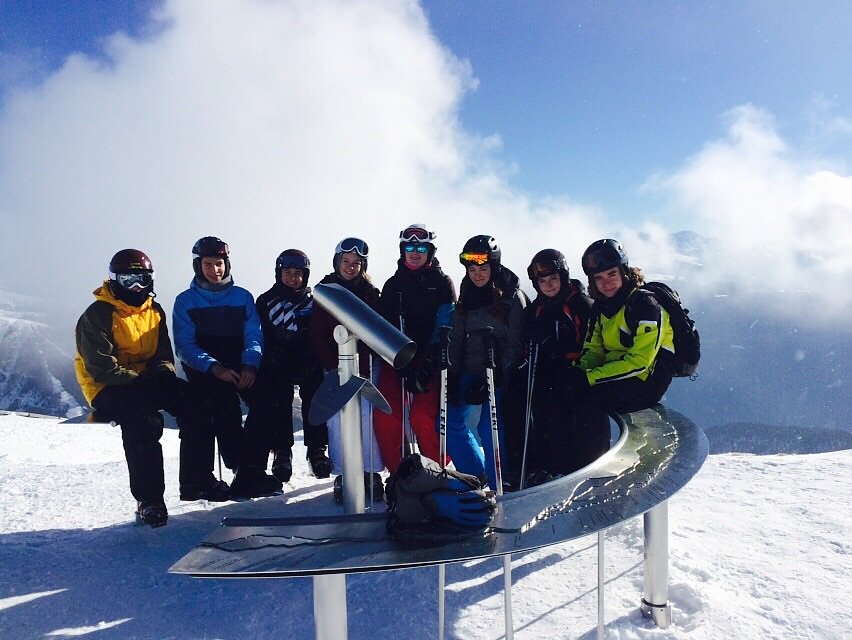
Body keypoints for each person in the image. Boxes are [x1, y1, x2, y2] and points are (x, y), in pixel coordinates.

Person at [75, 249, 190, 528]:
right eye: (128, 279)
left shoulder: (154, 311)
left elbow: (162, 355)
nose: (136, 286)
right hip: (107, 386)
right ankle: (149, 501)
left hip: (143, 380)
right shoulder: (99, 314)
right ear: (115, 280)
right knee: (144, 421)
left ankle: (198, 481)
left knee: (195, 401)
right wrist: (141, 382)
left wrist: (163, 375)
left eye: (141, 278)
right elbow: (100, 366)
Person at [173, 236, 282, 500]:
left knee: (268, 400)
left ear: (227, 264)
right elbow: (185, 346)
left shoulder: (242, 297)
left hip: (240, 363)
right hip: (206, 369)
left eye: (219, 264)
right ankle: (238, 465)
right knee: (224, 407)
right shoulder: (186, 301)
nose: (214, 270)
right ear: (198, 266)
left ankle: (251, 471)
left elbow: (253, 335)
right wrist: (214, 368)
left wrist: (250, 365)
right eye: (208, 265)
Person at [563, 239, 676, 468]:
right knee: (563, 394)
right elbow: (594, 349)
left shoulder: (645, 305)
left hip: (647, 381)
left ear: (624, 272)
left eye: (611, 274)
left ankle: (593, 467)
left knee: (589, 404)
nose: (606, 283)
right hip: (618, 375)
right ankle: (570, 464)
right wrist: (578, 372)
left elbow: (640, 362)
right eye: (599, 278)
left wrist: (589, 378)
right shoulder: (601, 307)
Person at [505, 249, 593, 485]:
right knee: (518, 401)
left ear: (563, 276)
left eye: (553, 278)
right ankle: (531, 466)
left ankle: (565, 468)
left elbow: (592, 347)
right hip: (544, 372)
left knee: (557, 408)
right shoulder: (537, 310)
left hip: (575, 373)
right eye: (542, 281)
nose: (548, 285)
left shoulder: (580, 305)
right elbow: (526, 344)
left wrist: (558, 349)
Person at [445, 235, 526, 490]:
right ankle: (474, 474)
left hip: (498, 372)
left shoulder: (512, 298)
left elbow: (515, 343)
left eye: (483, 268)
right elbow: (457, 338)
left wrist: (496, 375)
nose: (477, 274)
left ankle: (498, 481)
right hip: (469, 370)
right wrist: (453, 373)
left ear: (494, 266)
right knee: (447, 420)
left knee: (488, 426)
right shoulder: (466, 298)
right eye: (472, 269)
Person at [374, 224, 457, 474]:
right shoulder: (393, 285)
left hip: (428, 361)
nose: (415, 252)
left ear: (430, 250)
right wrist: (397, 358)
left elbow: (445, 322)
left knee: (422, 417)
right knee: (386, 415)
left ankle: (439, 471)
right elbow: (383, 325)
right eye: (409, 246)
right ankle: (400, 474)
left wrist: (427, 363)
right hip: (397, 359)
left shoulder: (442, 283)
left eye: (421, 247)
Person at [310, 237, 385, 502]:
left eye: (356, 263)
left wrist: (365, 364)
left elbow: (376, 331)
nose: (350, 267)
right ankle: (343, 474)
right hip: (336, 365)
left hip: (365, 366)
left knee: (367, 413)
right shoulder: (325, 290)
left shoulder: (371, 294)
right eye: (346, 262)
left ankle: (371, 472)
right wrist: (333, 365)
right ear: (337, 262)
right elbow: (318, 333)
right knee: (338, 416)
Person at [254, 249, 332, 482]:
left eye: (298, 273)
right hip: (278, 361)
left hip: (309, 360)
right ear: (279, 273)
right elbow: (261, 334)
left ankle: (317, 451)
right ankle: (282, 452)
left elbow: (322, 332)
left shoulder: (314, 300)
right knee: (279, 399)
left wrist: (315, 355)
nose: (293, 277)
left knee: (315, 398)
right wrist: (271, 356)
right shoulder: (267, 300)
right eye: (287, 272)